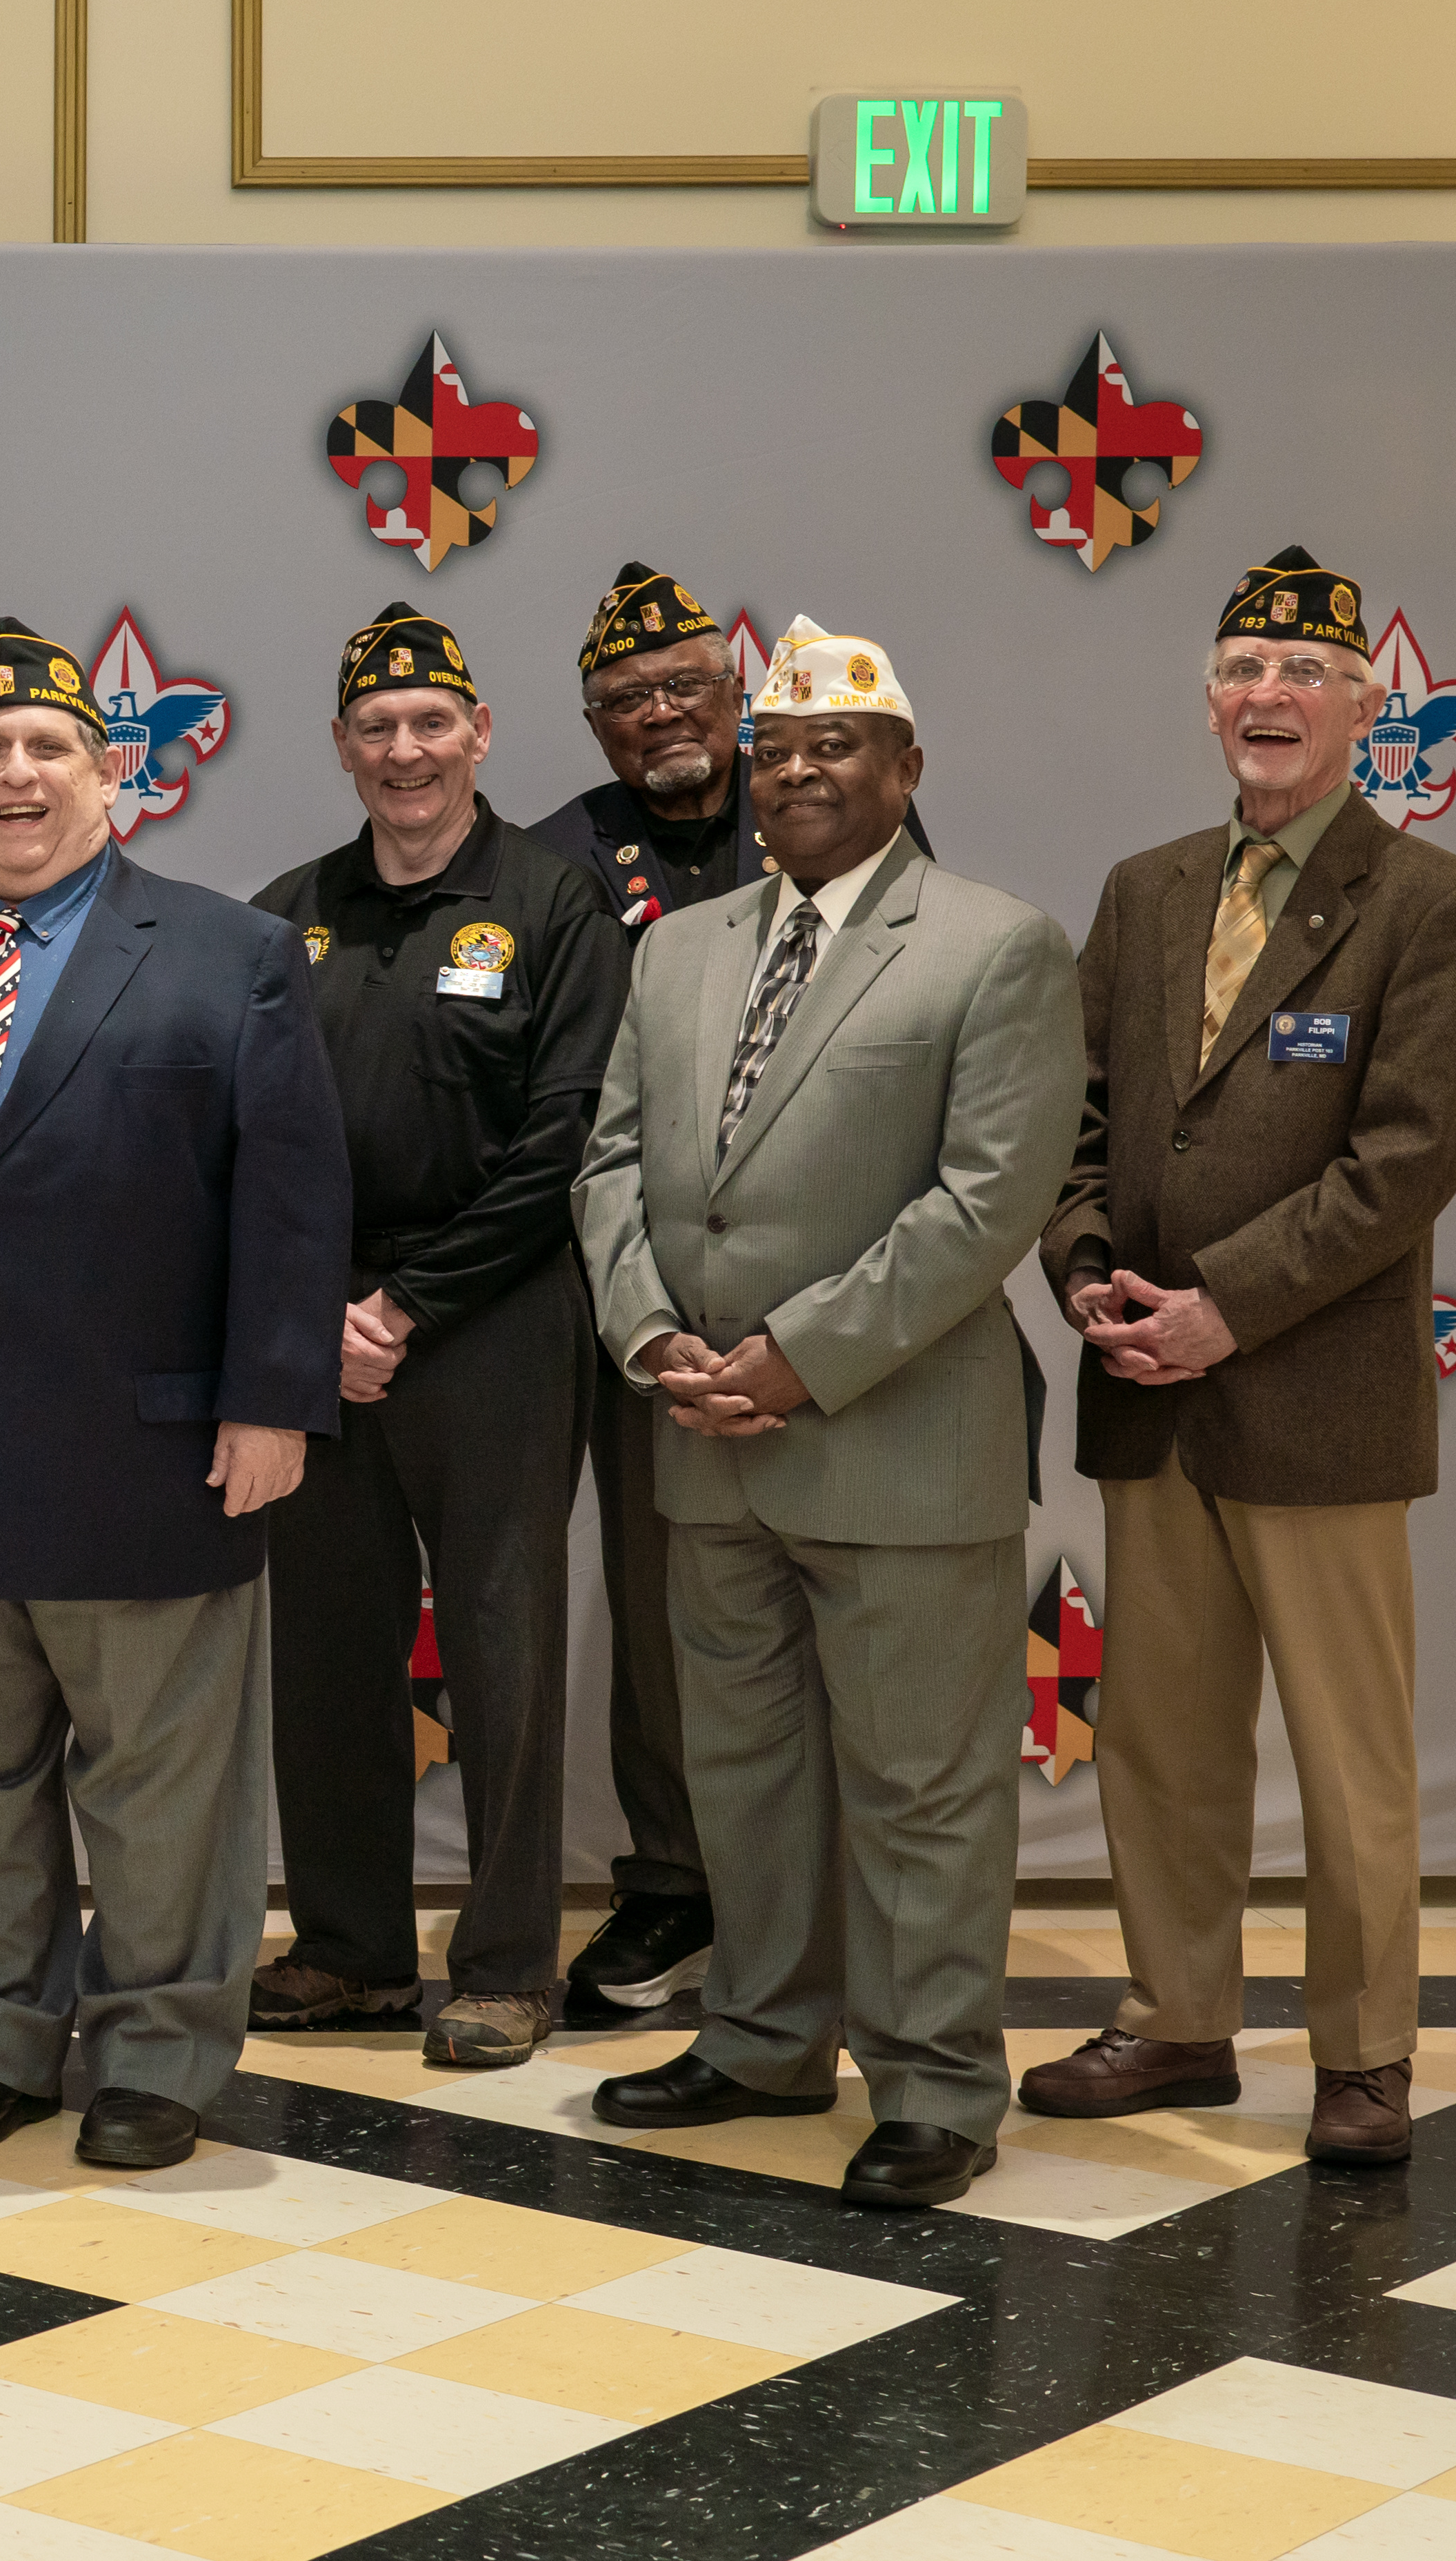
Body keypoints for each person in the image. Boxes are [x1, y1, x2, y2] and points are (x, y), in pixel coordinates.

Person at [0, 619, 350, 2170]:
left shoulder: (228, 951)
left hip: (156, 1452)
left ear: (114, 780)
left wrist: (273, 1399)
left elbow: (295, 1194)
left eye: (49, 749)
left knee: (162, 1788)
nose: (17, 775)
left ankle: (159, 2049)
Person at [574, 618, 1081, 2210]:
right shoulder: (678, 946)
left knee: (923, 1783)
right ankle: (760, 2039)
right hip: (702, 1443)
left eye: (835, 744)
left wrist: (794, 1352)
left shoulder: (993, 945)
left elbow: (986, 1198)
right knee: (742, 1775)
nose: (796, 769)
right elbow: (605, 1167)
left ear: (905, 769)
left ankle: (935, 2079)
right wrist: (651, 1334)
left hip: (891, 1442)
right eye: (776, 746)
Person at [1017, 548, 1456, 2170]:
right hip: (1145, 1390)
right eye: (1240, 669)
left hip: (1308, 1397)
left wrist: (1220, 1302)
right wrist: (1088, 1270)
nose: (1265, 697)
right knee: (1159, 1735)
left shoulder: (1435, 905)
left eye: (1302, 674)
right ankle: (1173, 2016)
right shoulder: (1145, 889)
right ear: (1208, 699)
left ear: (1366, 707)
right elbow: (1071, 1121)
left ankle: (1363, 2052)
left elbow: (1403, 1162)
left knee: (1347, 1748)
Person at [527, 566, 939, 2017]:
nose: (664, 718)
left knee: (864, 1639)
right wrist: (650, 1319)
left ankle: (838, 1908)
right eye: (628, 701)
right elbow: (586, 1119)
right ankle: (677, 1882)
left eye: (691, 689)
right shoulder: (557, 862)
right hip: (650, 1311)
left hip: (847, 1318)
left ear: (741, 698)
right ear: (598, 728)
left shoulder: (858, 835)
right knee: (670, 1619)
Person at [249, 608, 618, 2068]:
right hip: (320, 1332)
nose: (404, 750)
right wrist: (317, 1312)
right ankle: (346, 1945)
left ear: (477, 733)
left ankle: (510, 1960)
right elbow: (253, 1137)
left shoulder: (553, 898)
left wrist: (407, 1305)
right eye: (376, 728)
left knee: (501, 1650)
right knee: (328, 1650)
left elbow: (570, 1134)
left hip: (495, 1321)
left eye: (429, 722)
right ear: (344, 750)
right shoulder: (291, 910)